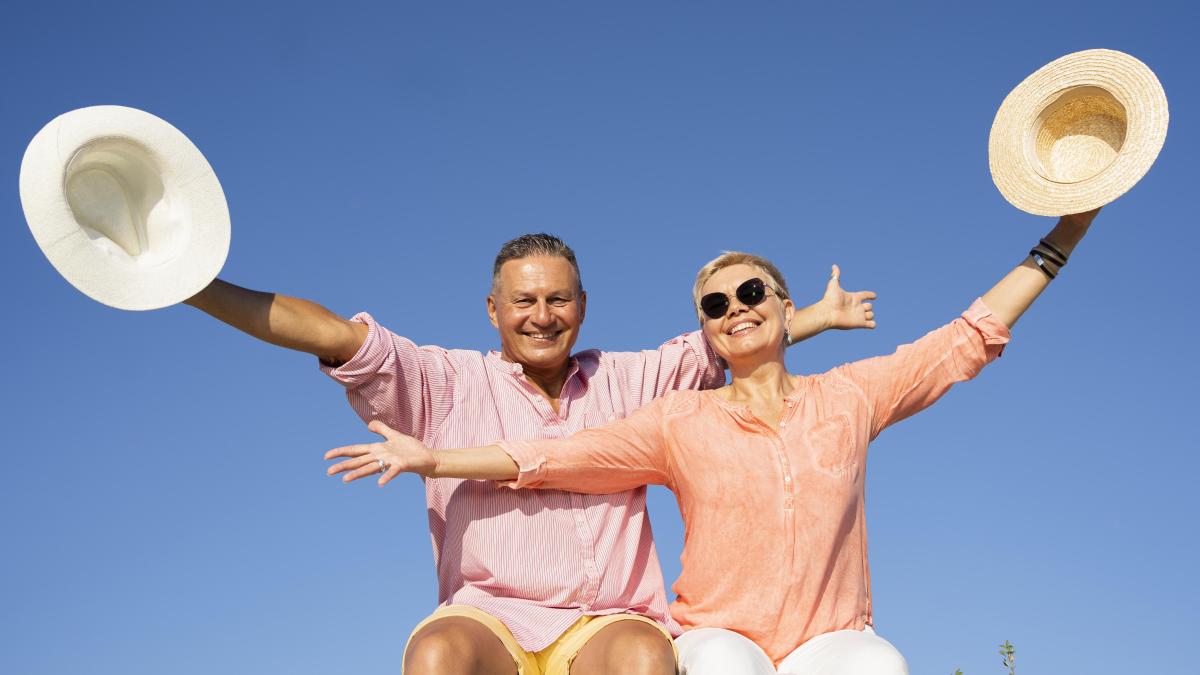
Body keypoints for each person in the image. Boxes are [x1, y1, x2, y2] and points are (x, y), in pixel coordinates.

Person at [326, 210, 1099, 674]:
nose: (736, 307)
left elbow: (964, 340)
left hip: (828, 641)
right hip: (719, 638)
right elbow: (552, 457)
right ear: (704, 327)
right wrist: (434, 458)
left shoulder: (850, 398)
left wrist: (1062, 238)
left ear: (784, 306)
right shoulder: (678, 420)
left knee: (883, 666)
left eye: (752, 292)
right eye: (716, 302)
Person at [186, 233, 877, 675]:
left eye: (557, 299)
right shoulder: (442, 381)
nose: (540, 315)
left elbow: (735, 338)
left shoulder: (634, 379)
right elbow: (331, 333)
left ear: (582, 305)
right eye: (523, 301)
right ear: (493, 308)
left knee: (645, 658)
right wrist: (188, 284)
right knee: (435, 655)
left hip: (607, 622)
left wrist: (811, 316)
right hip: (490, 615)